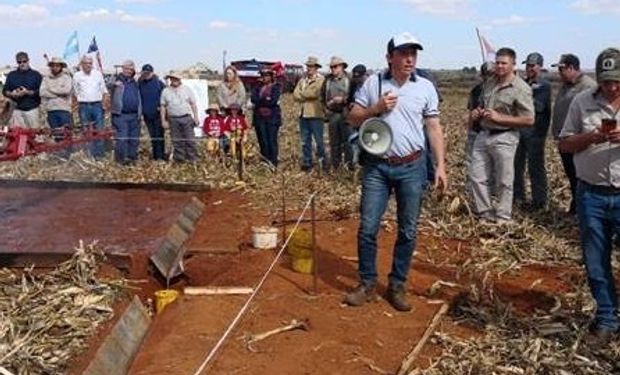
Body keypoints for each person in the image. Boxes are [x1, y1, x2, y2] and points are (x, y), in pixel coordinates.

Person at [345, 32, 447, 311]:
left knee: (408, 229)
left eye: (413, 53)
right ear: (389, 57)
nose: (409, 58)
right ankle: (367, 284)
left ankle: (397, 284)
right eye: (403, 53)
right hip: (377, 167)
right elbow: (352, 118)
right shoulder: (372, 83)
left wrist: (440, 165)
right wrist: (375, 109)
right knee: (368, 227)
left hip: (412, 166)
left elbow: (434, 128)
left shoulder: (425, 87)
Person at [558, 48, 620, 343]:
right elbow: (565, 144)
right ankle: (607, 318)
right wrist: (592, 137)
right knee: (596, 261)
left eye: (617, 81)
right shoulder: (581, 102)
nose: (611, 87)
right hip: (591, 195)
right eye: (606, 81)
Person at [468, 48, 535, 223]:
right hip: (483, 134)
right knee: (477, 177)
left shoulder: (521, 88)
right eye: (497, 62)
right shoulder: (489, 83)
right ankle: (485, 213)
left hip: (505, 137)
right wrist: (477, 112)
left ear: (513, 64)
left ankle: (503, 217)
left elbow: (529, 120)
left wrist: (500, 118)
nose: (499, 66)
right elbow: (482, 104)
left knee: (504, 181)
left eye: (504, 63)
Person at [551, 53, 597, 214]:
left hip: (579, 141)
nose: (559, 73)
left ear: (571, 68)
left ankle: (582, 209)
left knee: (580, 177)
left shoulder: (588, 87)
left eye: (561, 69)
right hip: (566, 140)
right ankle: (576, 206)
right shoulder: (566, 85)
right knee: (572, 176)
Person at [514, 52, 552, 210]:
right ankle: (518, 197)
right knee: (516, 166)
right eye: (527, 65)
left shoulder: (544, 85)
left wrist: (522, 96)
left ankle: (539, 201)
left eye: (532, 65)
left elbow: (538, 106)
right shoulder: (523, 83)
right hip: (520, 130)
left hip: (536, 133)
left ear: (540, 66)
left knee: (535, 167)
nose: (529, 68)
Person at [293, 56, 327, 172]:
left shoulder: (321, 79)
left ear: (316, 68)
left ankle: (322, 162)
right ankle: (307, 162)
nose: (309, 68)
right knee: (305, 141)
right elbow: (295, 94)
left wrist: (302, 94)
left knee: (319, 140)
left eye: (311, 66)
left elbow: (315, 93)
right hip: (303, 114)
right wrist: (303, 94)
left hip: (315, 114)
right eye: (308, 66)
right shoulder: (302, 80)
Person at [73, 55, 109, 159]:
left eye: (90, 63)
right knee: (86, 131)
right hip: (84, 106)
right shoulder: (77, 75)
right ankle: (89, 154)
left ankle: (99, 155)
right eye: (86, 63)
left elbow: (104, 90)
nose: (88, 65)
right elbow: (76, 91)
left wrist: (105, 104)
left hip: (97, 105)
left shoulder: (97, 74)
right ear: (82, 64)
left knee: (99, 130)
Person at [160, 72, 199, 163]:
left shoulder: (187, 89)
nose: (174, 80)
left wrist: (196, 117)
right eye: (172, 78)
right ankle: (180, 159)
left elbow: (193, 104)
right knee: (177, 141)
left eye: (176, 78)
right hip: (173, 119)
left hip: (186, 117)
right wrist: (163, 120)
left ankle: (193, 158)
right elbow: (163, 106)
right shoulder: (165, 91)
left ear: (179, 79)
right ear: (170, 79)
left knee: (190, 139)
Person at [322, 56, 352, 170]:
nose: (333, 69)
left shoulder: (349, 79)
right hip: (332, 114)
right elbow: (321, 96)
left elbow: (355, 96)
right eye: (331, 67)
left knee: (348, 143)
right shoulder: (328, 80)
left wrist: (343, 100)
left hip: (347, 114)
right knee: (334, 143)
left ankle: (349, 167)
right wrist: (325, 109)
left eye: (335, 66)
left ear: (342, 67)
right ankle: (336, 167)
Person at [110, 60, 141, 165]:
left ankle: (131, 158)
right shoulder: (117, 79)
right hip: (121, 115)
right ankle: (120, 160)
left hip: (134, 115)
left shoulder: (134, 82)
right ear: (122, 69)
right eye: (126, 68)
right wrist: (114, 83)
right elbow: (107, 84)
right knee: (122, 138)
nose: (128, 71)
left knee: (134, 139)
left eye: (131, 69)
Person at [2, 52, 42, 129]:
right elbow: (5, 90)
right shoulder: (12, 75)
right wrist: (12, 94)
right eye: (19, 62)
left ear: (28, 60)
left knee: (33, 135)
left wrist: (27, 92)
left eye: (24, 61)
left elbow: (41, 91)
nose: (22, 64)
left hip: (32, 110)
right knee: (17, 135)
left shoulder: (36, 75)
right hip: (16, 110)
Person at [251, 68, 282, 167]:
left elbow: (273, 101)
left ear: (271, 77)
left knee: (271, 140)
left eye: (267, 76)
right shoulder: (257, 87)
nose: (264, 78)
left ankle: (273, 161)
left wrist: (261, 101)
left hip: (272, 118)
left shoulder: (276, 87)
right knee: (262, 140)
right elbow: (253, 98)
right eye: (263, 76)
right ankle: (265, 160)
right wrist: (265, 100)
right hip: (259, 118)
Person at [466, 62, 495, 162]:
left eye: (491, 74)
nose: (489, 77)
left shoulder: (502, 90)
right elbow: (471, 111)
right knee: (473, 163)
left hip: (494, 133)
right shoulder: (476, 90)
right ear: (482, 75)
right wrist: (470, 132)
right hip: (477, 131)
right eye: (486, 74)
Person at [39, 57, 73, 141]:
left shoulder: (67, 78)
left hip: (64, 109)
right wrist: (57, 94)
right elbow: (42, 92)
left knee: (66, 134)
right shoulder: (46, 78)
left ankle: (68, 152)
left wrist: (50, 89)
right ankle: (59, 153)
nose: (55, 67)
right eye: (53, 65)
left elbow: (66, 90)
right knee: (56, 134)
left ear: (61, 66)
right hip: (51, 110)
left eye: (57, 66)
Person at [138, 64, 166, 160]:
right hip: (147, 115)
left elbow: (165, 97)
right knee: (153, 136)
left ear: (152, 73)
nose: (146, 74)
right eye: (145, 73)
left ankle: (161, 156)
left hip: (158, 114)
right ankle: (155, 156)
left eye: (148, 73)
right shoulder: (140, 83)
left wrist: (163, 110)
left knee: (159, 136)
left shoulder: (159, 83)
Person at [348, 64, 369, 166]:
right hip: (357, 120)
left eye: (359, 77)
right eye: (355, 77)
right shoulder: (354, 85)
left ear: (365, 75)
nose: (357, 80)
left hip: (369, 120)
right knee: (355, 143)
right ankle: (356, 164)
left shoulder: (372, 86)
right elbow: (349, 99)